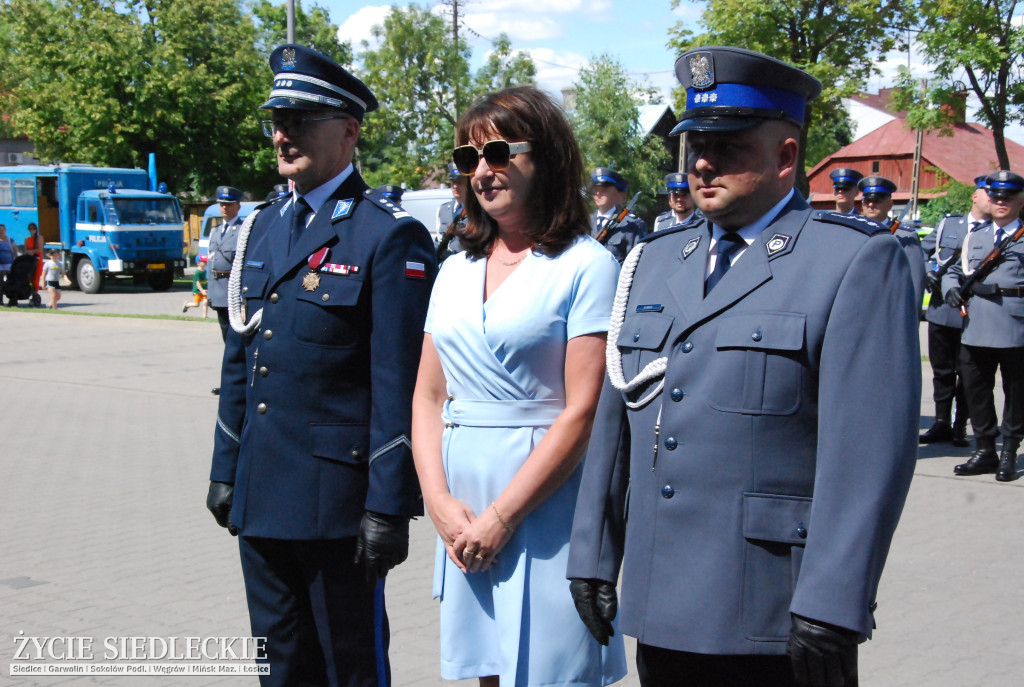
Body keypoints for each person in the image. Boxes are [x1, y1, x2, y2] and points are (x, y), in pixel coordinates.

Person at [567, 46, 920, 687]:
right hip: (663, 596)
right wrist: (593, 552)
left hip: (775, 608)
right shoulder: (653, 259)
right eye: (695, 142)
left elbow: (867, 455)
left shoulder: (851, 263)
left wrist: (834, 600)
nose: (702, 161)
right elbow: (618, 417)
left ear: (786, 157)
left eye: (727, 144)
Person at [205, 44, 436, 686]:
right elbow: (240, 359)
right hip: (261, 492)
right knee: (277, 668)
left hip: (337, 504)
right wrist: (226, 467)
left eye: (301, 120)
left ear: (348, 131)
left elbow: (399, 384)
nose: (283, 134)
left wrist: (388, 507)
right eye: (277, 119)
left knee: (348, 668)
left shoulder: (386, 235)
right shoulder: (261, 227)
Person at [411, 86, 627, 687]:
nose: (483, 170)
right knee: (486, 670)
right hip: (463, 503)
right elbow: (428, 395)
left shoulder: (586, 265)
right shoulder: (453, 268)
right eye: (467, 158)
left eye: (500, 152)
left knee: (553, 671)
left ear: (548, 156)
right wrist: (438, 501)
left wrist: (504, 517)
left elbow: (583, 411)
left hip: (547, 502)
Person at [943, 170, 1024, 482]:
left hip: (1015, 323)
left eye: (1008, 196)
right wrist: (950, 286)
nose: (1001, 201)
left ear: (1019, 200)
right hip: (976, 324)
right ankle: (985, 449)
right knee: (976, 389)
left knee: (1015, 392)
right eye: (996, 196)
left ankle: (1009, 451)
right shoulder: (974, 237)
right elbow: (953, 269)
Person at [919, 174, 990, 446]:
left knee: (969, 373)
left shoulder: (997, 233)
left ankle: (960, 425)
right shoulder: (949, 223)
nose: (993, 199)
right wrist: (928, 273)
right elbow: (925, 252)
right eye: (987, 193)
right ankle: (941, 423)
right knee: (942, 372)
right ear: (975, 195)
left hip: (973, 312)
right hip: (941, 310)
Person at [858, 175, 927, 307]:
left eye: (877, 200)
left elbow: (915, 283)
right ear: (862, 204)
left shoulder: (906, 237)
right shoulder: (855, 232)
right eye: (867, 200)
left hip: (889, 307)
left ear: (890, 204)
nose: (871, 204)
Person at [206, 186, 244, 341]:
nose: (224, 207)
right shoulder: (215, 231)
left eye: (229, 204)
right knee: (224, 332)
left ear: (238, 206)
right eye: (222, 204)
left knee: (235, 335)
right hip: (218, 289)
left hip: (233, 289)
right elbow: (211, 262)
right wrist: (209, 290)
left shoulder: (243, 229)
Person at [589, 167, 647, 263]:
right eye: (596, 190)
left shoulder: (633, 225)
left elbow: (636, 264)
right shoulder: (584, 221)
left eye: (604, 190)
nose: (598, 194)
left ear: (616, 194)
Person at [436, 162, 467, 261]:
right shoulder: (443, 209)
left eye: (459, 182)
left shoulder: (477, 210)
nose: (455, 186)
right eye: (453, 182)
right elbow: (439, 238)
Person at [23, 222, 43, 302]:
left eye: (34, 228)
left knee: (36, 277)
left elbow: (40, 249)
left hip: (37, 260)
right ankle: (31, 293)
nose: (32, 230)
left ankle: (35, 293)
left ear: (36, 229)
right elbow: (25, 250)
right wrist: (27, 252)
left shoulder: (39, 238)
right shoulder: (27, 239)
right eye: (30, 229)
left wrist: (31, 251)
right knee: (30, 278)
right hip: (29, 260)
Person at [0, 224, 15, 294]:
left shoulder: (10, 240)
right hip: (0, 266)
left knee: (11, 283)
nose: (1, 231)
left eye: (2, 230)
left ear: (5, 231)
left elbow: (15, 253)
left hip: (10, 265)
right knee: (0, 283)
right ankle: (0, 300)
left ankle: (12, 300)